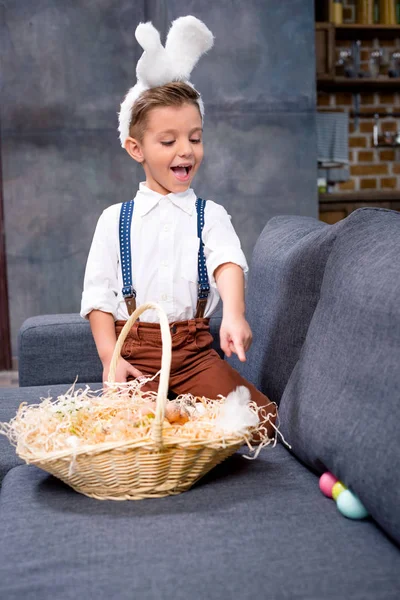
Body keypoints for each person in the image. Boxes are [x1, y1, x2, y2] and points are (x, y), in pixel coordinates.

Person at [80, 16, 276, 435]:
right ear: (136, 148)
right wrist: (110, 359)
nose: (185, 150)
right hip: (135, 356)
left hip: (195, 354)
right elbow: (99, 295)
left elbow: (227, 262)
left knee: (260, 423)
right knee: (134, 436)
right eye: (168, 141)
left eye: (195, 137)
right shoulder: (114, 220)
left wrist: (235, 315)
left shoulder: (211, 215)